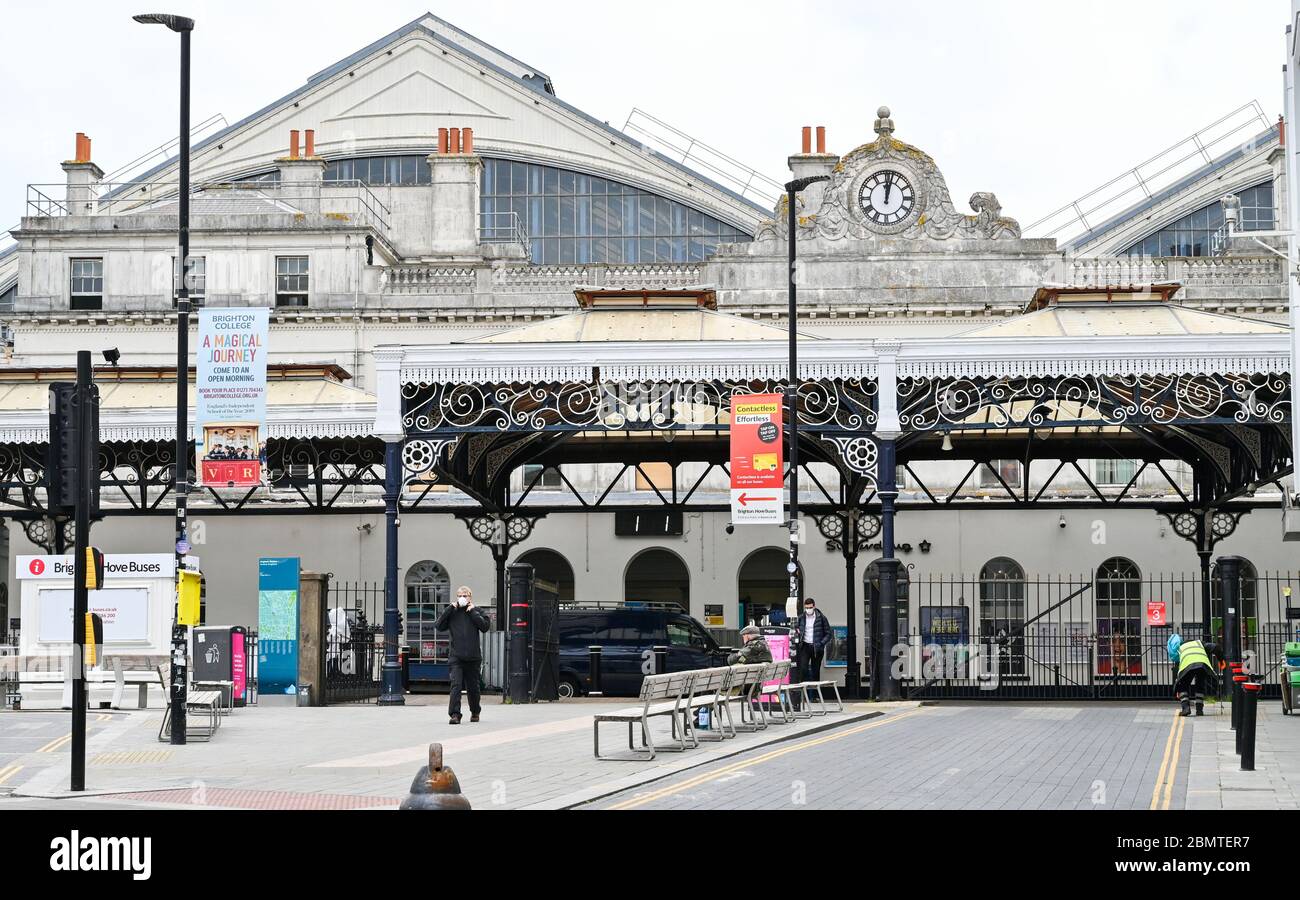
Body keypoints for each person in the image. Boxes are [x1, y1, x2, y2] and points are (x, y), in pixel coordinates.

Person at [435, 585, 490, 724]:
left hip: (473, 657)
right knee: (456, 685)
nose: (462, 598)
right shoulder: (452, 612)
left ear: (470, 597)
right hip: (456, 657)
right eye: (460, 595)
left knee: (473, 688)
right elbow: (439, 625)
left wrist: (473, 612)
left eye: (465, 595)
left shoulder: (477, 611)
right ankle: (455, 714)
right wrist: (450, 608)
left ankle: (475, 711)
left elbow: (485, 627)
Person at [1170, 632, 1222, 717]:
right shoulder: (1199, 643)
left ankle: (1186, 708)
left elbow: (1178, 669)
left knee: (1183, 686)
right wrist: (1221, 660)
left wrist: (1177, 685)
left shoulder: (1180, 648)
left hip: (1187, 666)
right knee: (1200, 685)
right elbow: (1216, 647)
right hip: (1202, 665)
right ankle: (1199, 710)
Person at [796, 597, 832, 683]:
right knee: (803, 669)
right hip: (805, 646)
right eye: (806, 608)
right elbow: (795, 629)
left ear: (814, 607)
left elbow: (829, 634)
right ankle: (804, 694)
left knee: (815, 671)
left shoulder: (822, 618)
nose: (808, 609)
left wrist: (821, 643)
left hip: (817, 647)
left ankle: (815, 695)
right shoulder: (801, 618)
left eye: (810, 607)